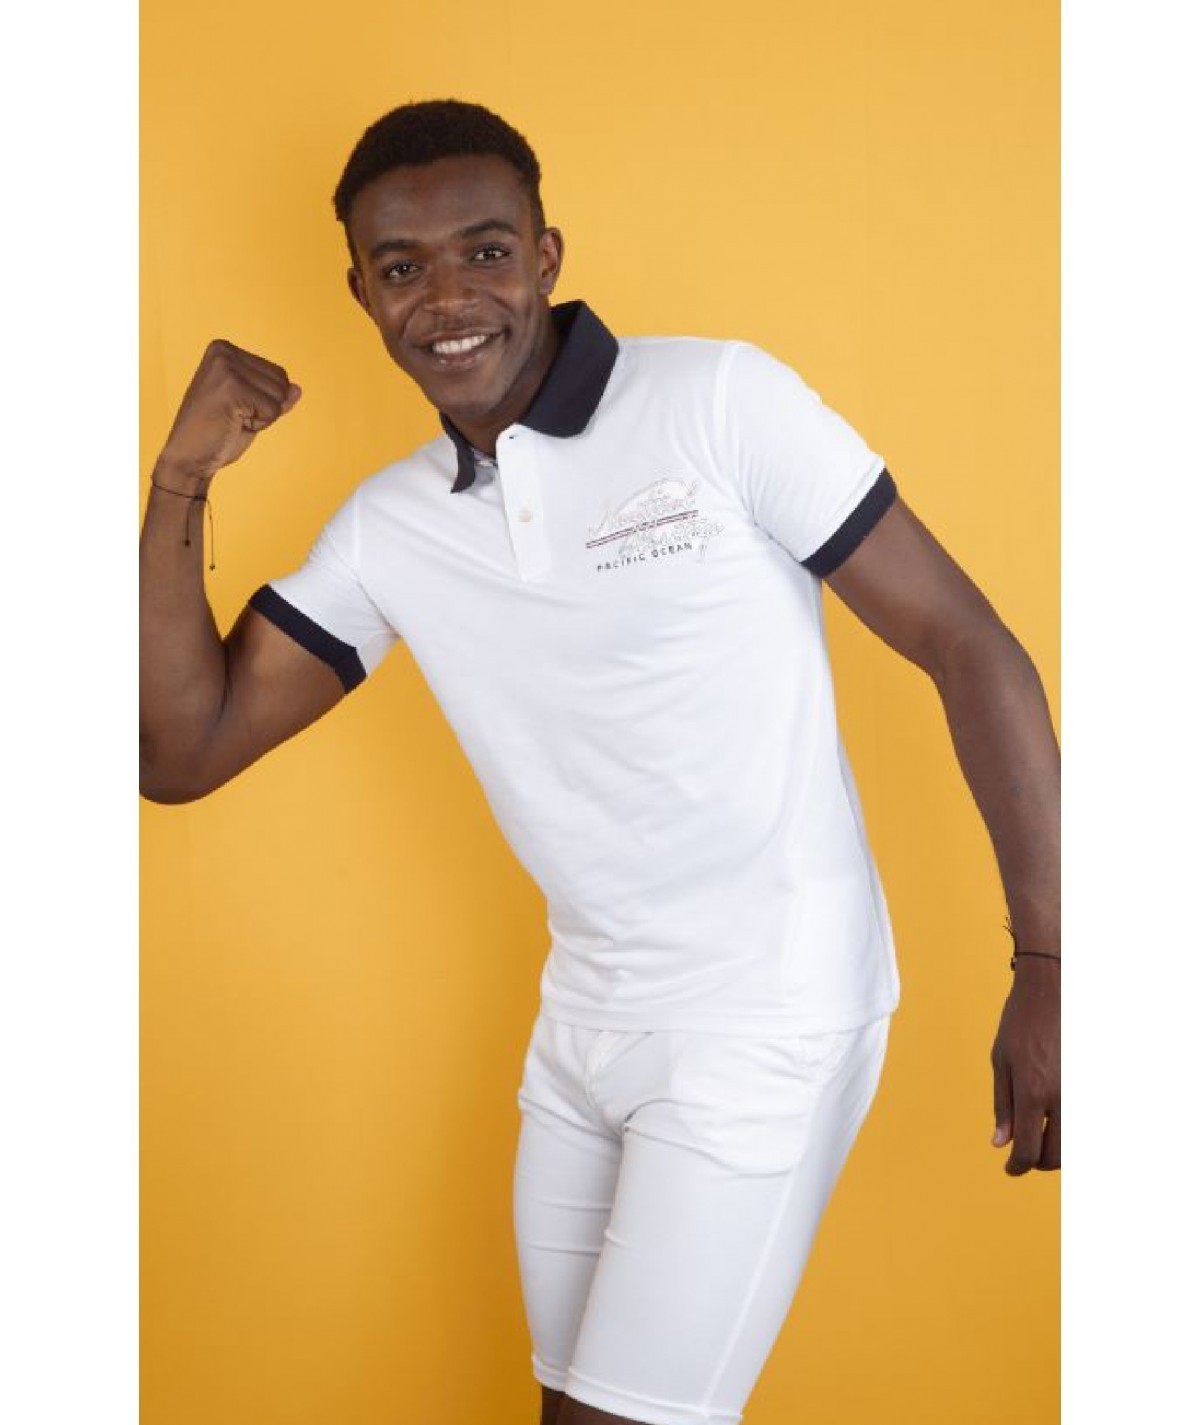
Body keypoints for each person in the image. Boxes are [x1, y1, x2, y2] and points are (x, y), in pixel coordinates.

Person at [140, 99, 1060, 1425]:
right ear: (362, 294)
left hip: (766, 1011)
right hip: (582, 1025)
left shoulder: (717, 402)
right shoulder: (391, 527)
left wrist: (1054, 963)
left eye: (486, 251)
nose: (447, 298)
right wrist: (180, 482)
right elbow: (181, 749)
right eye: (401, 268)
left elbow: (969, 644)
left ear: (547, 255)